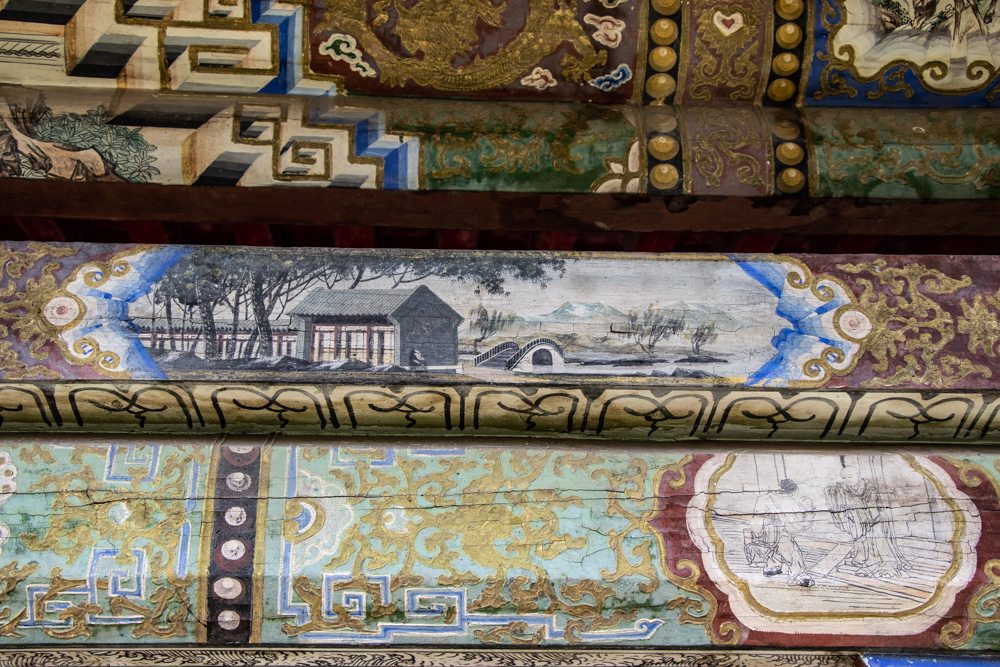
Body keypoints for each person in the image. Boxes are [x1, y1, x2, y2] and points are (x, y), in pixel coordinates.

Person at [824, 466, 911, 579]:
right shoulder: (844, 489)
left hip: (875, 519)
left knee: (878, 537)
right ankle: (870, 564)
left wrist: (868, 519)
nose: (847, 480)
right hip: (860, 521)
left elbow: (874, 506)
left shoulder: (869, 487)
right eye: (844, 478)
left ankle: (886, 565)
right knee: (863, 538)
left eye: (850, 477)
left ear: (858, 475)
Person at [744, 478, 815, 587]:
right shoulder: (787, 500)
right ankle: (798, 575)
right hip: (774, 530)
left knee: (775, 546)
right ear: (791, 491)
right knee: (790, 548)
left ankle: (772, 566)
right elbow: (797, 523)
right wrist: (809, 513)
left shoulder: (764, 498)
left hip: (761, 529)